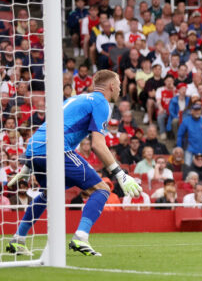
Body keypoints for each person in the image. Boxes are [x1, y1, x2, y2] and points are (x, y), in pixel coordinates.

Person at [4, 70, 142, 258]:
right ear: (111, 86)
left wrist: (28, 165)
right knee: (102, 189)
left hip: (34, 148)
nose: (119, 88)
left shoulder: (76, 99)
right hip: (55, 149)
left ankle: (18, 239)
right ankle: (80, 237)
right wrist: (120, 174)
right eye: (118, 84)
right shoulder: (102, 103)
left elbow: (47, 128)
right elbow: (98, 145)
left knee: (47, 194)